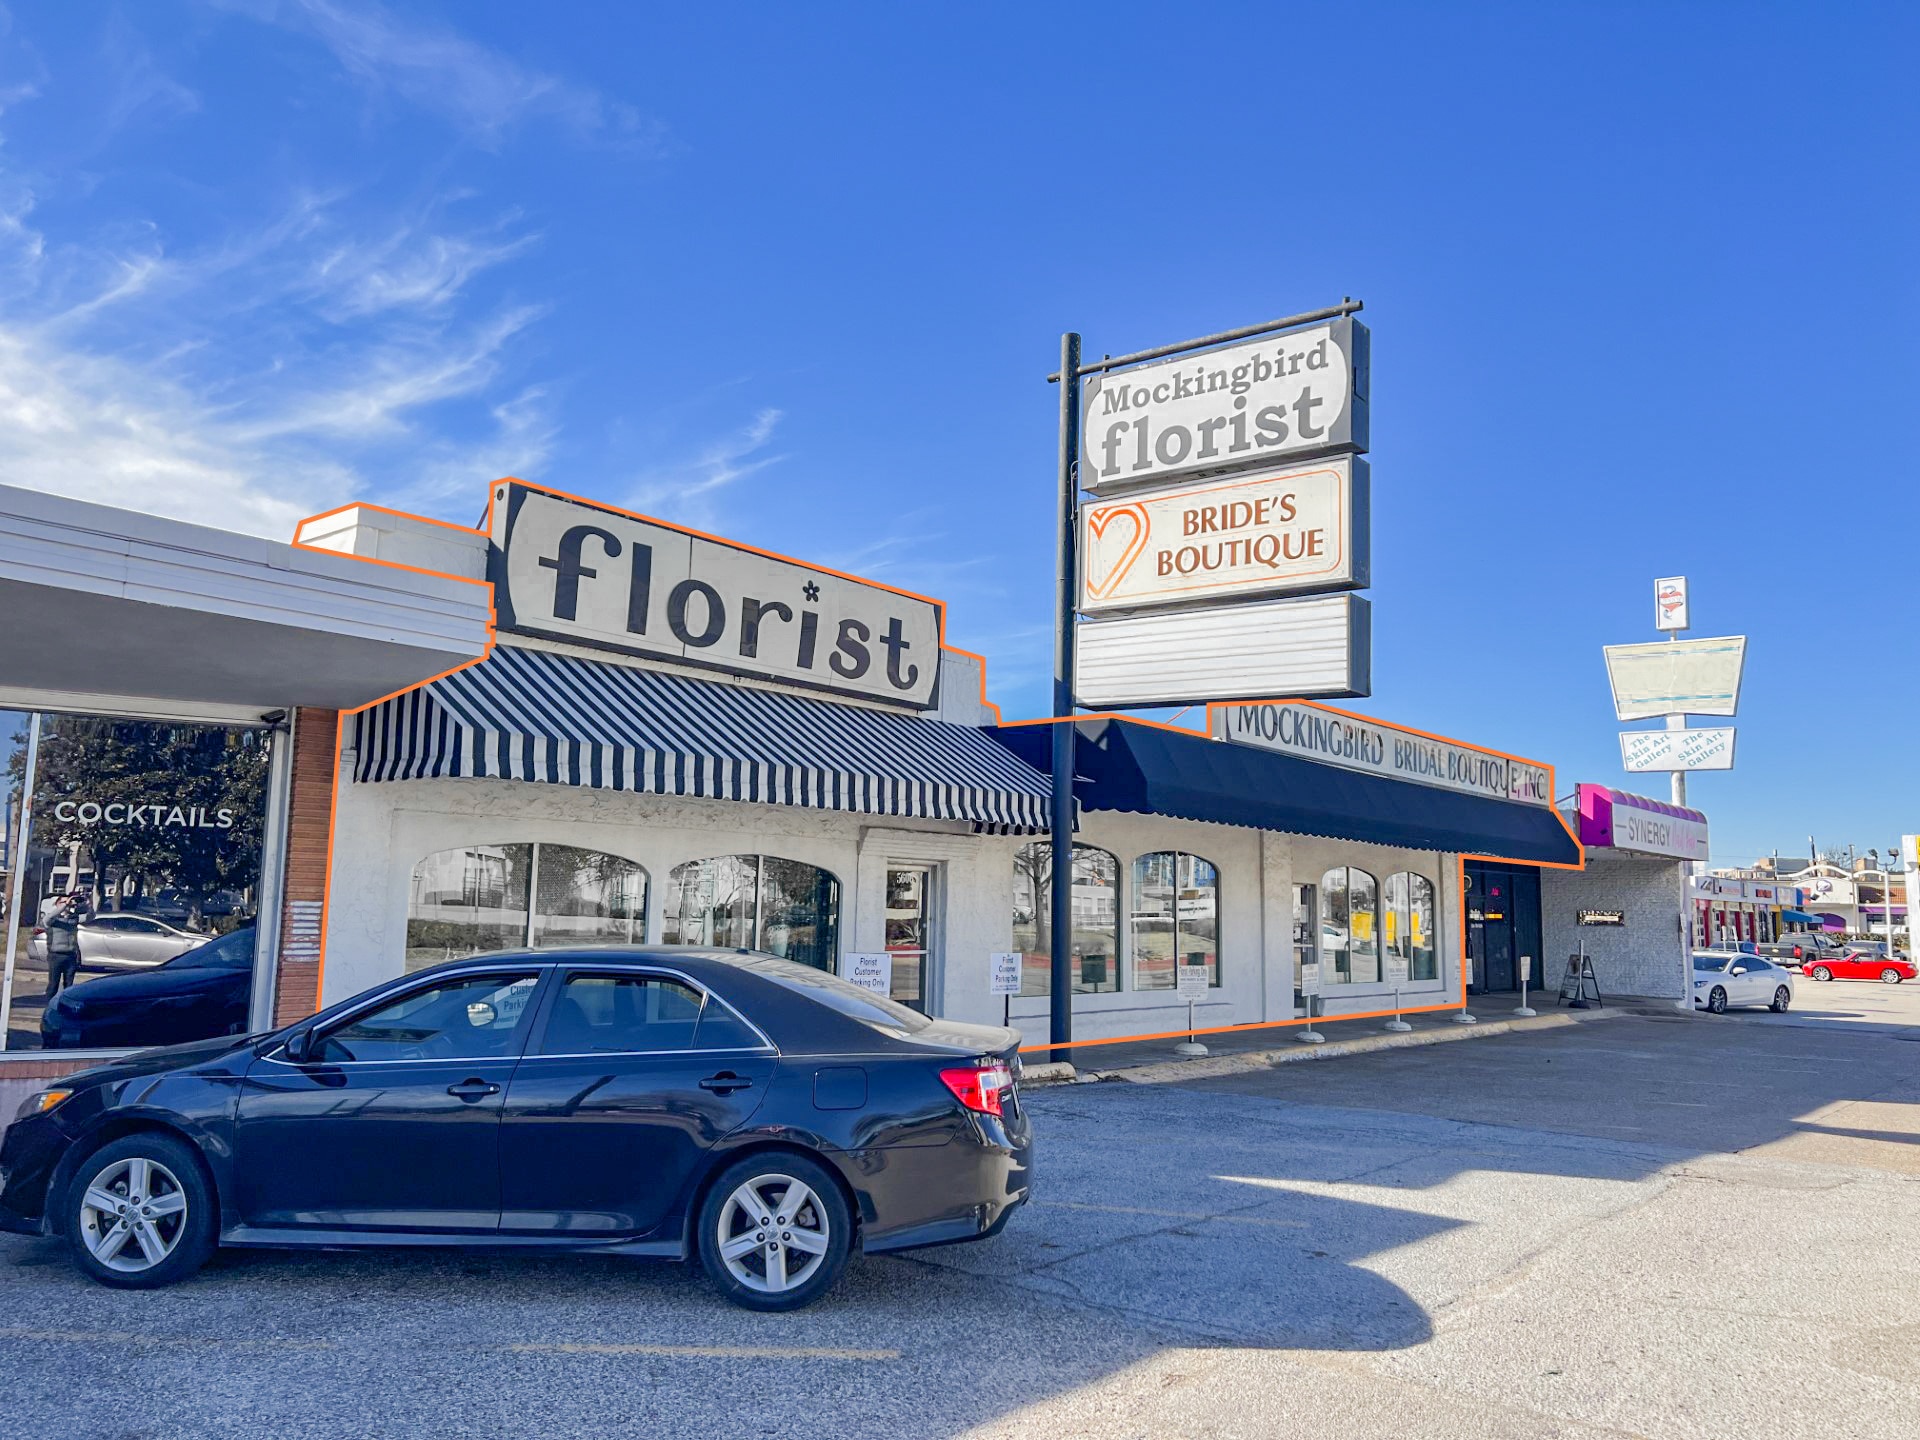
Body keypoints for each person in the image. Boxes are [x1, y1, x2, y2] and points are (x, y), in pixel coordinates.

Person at [43, 895, 83, 998]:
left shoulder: (73, 918)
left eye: (69, 903)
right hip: (56, 955)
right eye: (64, 902)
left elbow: (89, 917)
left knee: (69, 985)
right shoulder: (52, 919)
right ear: (57, 904)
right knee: (53, 984)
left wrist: (88, 904)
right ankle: (50, 1003)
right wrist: (65, 905)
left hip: (71, 955)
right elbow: (48, 918)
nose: (68, 905)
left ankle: (66, 1003)